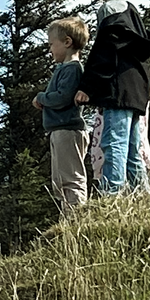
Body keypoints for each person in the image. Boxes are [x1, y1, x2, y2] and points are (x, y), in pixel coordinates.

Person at [70, 0, 150, 197]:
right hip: (135, 87)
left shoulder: (110, 9)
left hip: (118, 87)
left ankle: (112, 196)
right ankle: (142, 197)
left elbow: (105, 50)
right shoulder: (131, 10)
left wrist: (88, 86)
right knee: (132, 147)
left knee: (113, 142)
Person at [32, 16, 91, 209]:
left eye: (51, 44)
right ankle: (68, 214)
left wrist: (41, 98)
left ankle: (77, 214)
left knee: (71, 177)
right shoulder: (64, 69)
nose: (50, 49)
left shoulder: (73, 69)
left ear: (67, 42)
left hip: (68, 130)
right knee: (59, 180)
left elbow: (63, 97)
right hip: (59, 131)